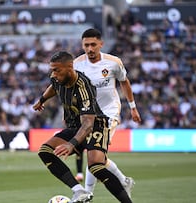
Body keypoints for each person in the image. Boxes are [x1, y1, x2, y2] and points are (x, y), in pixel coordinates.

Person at [33, 51, 133, 203]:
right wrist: (42, 100)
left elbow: (88, 124)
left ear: (70, 67)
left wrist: (71, 143)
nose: (53, 74)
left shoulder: (83, 86)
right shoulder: (58, 79)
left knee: (95, 166)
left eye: (56, 70)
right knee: (45, 151)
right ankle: (79, 190)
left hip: (96, 125)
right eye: (52, 70)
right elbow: (53, 87)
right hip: (75, 125)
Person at [73, 28, 142, 199]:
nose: (90, 49)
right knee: (99, 157)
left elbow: (124, 83)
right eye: (86, 45)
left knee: (93, 152)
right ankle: (124, 180)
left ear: (101, 44)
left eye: (93, 45)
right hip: (88, 115)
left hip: (109, 113)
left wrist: (132, 107)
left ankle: (87, 194)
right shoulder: (76, 64)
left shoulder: (113, 62)